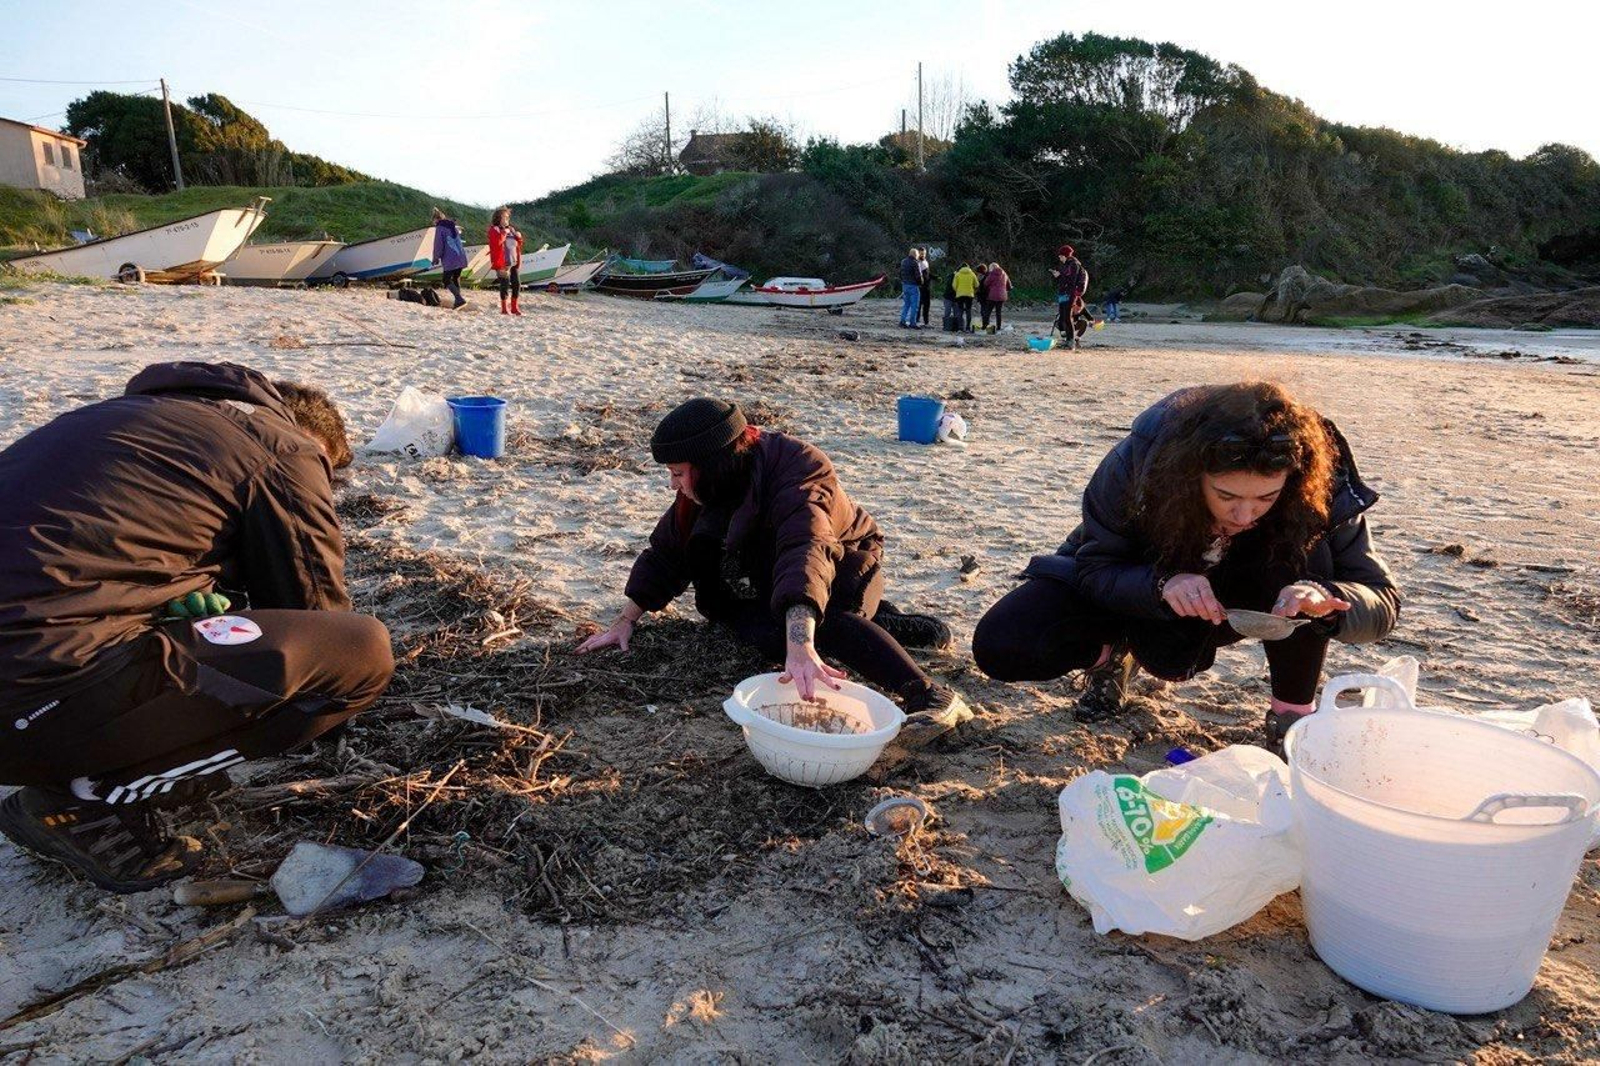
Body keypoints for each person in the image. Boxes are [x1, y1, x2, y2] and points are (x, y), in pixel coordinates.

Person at [0, 362, 394, 893]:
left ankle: (129, 756)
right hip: (28, 700)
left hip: (29, 671)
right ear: (317, 442)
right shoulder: (284, 448)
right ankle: (82, 799)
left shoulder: (122, 420)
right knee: (360, 653)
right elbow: (319, 612)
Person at [972, 381, 1399, 747]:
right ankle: (1111, 658)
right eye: (1227, 497)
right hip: (1143, 584)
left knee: (1308, 576)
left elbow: (1382, 600)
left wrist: (1330, 599)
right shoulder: (1142, 460)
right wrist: (1161, 584)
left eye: (1265, 498)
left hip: (1245, 594)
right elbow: (1094, 566)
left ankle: (1291, 717)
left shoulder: (1319, 482)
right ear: (1191, 474)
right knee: (1004, 643)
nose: (1245, 515)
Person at [577, 398, 972, 747]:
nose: (672, 484)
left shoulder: (799, 470)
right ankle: (888, 622)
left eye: (678, 473)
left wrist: (801, 644)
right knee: (750, 626)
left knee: (824, 626)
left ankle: (928, 694)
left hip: (845, 558)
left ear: (711, 464)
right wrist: (625, 619)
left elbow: (806, 549)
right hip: (770, 562)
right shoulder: (712, 484)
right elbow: (667, 550)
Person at [1051, 244, 1089, 350]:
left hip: (1070, 295)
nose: (1059, 257)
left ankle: (1071, 342)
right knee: (1063, 318)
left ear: (1065, 255)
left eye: (1060, 255)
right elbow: (1065, 280)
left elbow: (1072, 281)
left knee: (1067, 318)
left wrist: (1060, 275)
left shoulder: (1074, 265)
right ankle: (1068, 340)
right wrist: (1058, 277)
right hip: (1063, 294)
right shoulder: (1066, 265)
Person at [430, 207, 469, 310]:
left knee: (446, 280)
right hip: (460, 256)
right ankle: (458, 302)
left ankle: (459, 298)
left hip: (450, 259)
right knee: (456, 278)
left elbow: (439, 245)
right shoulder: (454, 227)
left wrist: (435, 258)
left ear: (435, 220)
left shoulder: (440, 228)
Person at [488, 206, 524, 316]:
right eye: (504, 217)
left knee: (517, 284)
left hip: (513, 261)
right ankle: (504, 308)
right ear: (498, 218)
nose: (506, 220)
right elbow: (497, 242)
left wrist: (519, 238)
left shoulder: (511, 229)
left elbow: (517, 245)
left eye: (507, 217)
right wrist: (504, 232)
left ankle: (514, 307)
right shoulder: (494, 230)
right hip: (502, 262)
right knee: (504, 285)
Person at [981, 262, 1011, 331]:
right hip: (1002, 296)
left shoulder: (992, 274)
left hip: (993, 295)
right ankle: (999, 327)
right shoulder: (1004, 273)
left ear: (991, 268)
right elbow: (1009, 285)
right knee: (998, 312)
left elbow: (986, 283)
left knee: (988, 311)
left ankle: (985, 326)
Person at [898, 248, 922, 328]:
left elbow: (900, 273)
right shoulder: (915, 263)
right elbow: (918, 276)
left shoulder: (903, 261)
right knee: (914, 306)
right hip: (913, 286)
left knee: (906, 304)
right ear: (915, 255)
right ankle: (912, 323)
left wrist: (903, 281)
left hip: (905, 285)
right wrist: (921, 283)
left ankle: (902, 321)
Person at [952, 262, 978, 333]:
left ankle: (960, 328)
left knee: (960, 311)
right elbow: (977, 284)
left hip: (960, 295)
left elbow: (954, 285)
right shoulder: (972, 274)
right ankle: (967, 328)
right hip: (969, 295)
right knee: (968, 311)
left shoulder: (957, 274)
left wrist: (958, 290)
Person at [916, 249, 932, 329]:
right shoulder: (917, 263)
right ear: (918, 254)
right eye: (921, 254)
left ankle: (926, 322)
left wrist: (934, 277)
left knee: (927, 305)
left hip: (927, 287)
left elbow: (928, 274)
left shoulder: (926, 262)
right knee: (918, 305)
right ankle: (917, 321)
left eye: (924, 254)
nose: (923, 255)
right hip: (920, 287)